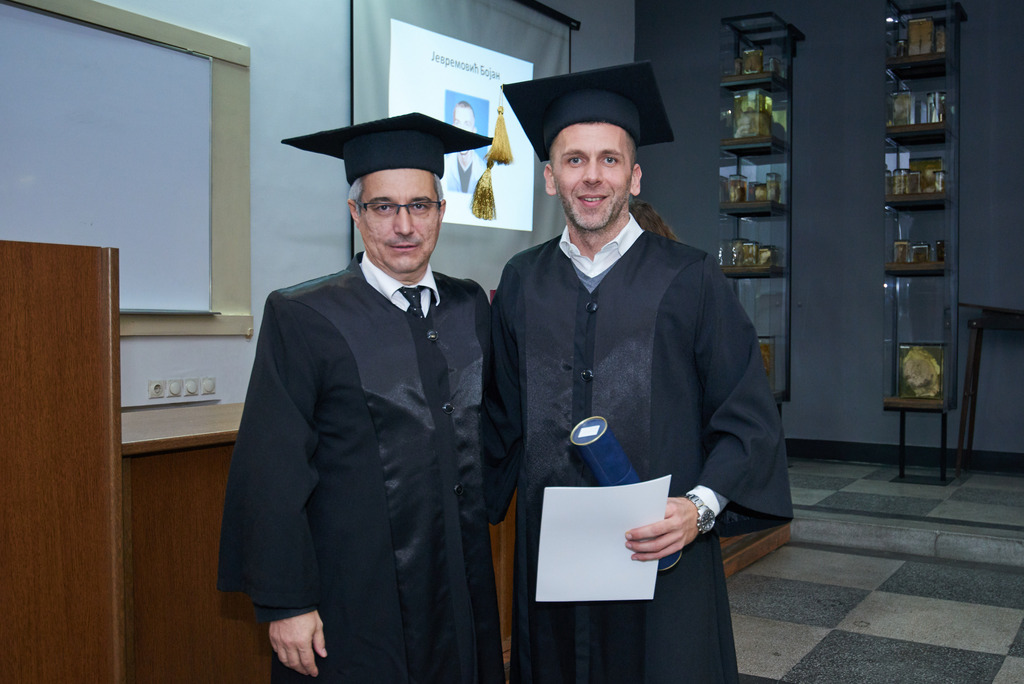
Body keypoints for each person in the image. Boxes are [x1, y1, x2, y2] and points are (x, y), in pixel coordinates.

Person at [484, 61, 792, 684]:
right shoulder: (522, 281)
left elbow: (747, 418)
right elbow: (496, 422)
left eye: (610, 159)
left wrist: (699, 509)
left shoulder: (690, 277)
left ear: (634, 174)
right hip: (554, 568)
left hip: (662, 558)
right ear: (550, 176)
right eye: (574, 160)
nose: (592, 176)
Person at [218, 112, 504, 684]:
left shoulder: (469, 306)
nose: (404, 225)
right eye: (383, 207)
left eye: (419, 205)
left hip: (456, 574)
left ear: (441, 211)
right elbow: (271, 469)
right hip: (354, 591)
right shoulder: (304, 316)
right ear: (356, 212)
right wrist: (287, 603)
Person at [445, 100, 486, 193]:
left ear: (474, 131)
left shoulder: (483, 171)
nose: (462, 130)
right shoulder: (445, 167)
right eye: (458, 123)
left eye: (467, 124)